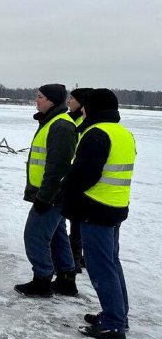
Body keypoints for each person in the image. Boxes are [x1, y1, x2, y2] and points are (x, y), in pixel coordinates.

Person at [62, 88, 135, 339]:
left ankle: (114, 323)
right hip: (115, 207)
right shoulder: (123, 133)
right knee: (112, 262)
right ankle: (117, 314)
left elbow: (83, 175)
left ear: (92, 108)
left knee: (101, 266)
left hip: (96, 208)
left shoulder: (96, 134)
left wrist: (66, 193)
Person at [15, 84, 77, 297]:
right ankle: (66, 279)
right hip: (50, 193)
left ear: (52, 100)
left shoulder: (60, 126)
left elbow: (57, 167)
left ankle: (42, 280)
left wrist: (44, 197)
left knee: (34, 235)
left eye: (40, 97)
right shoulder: (51, 122)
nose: (36, 100)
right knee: (58, 234)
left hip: (51, 195)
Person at [67, 87, 93, 272]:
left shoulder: (83, 123)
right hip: (74, 174)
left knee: (77, 223)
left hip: (79, 177)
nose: (69, 101)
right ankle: (76, 257)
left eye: (72, 98)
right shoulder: (73, 120)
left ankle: (75, 259)